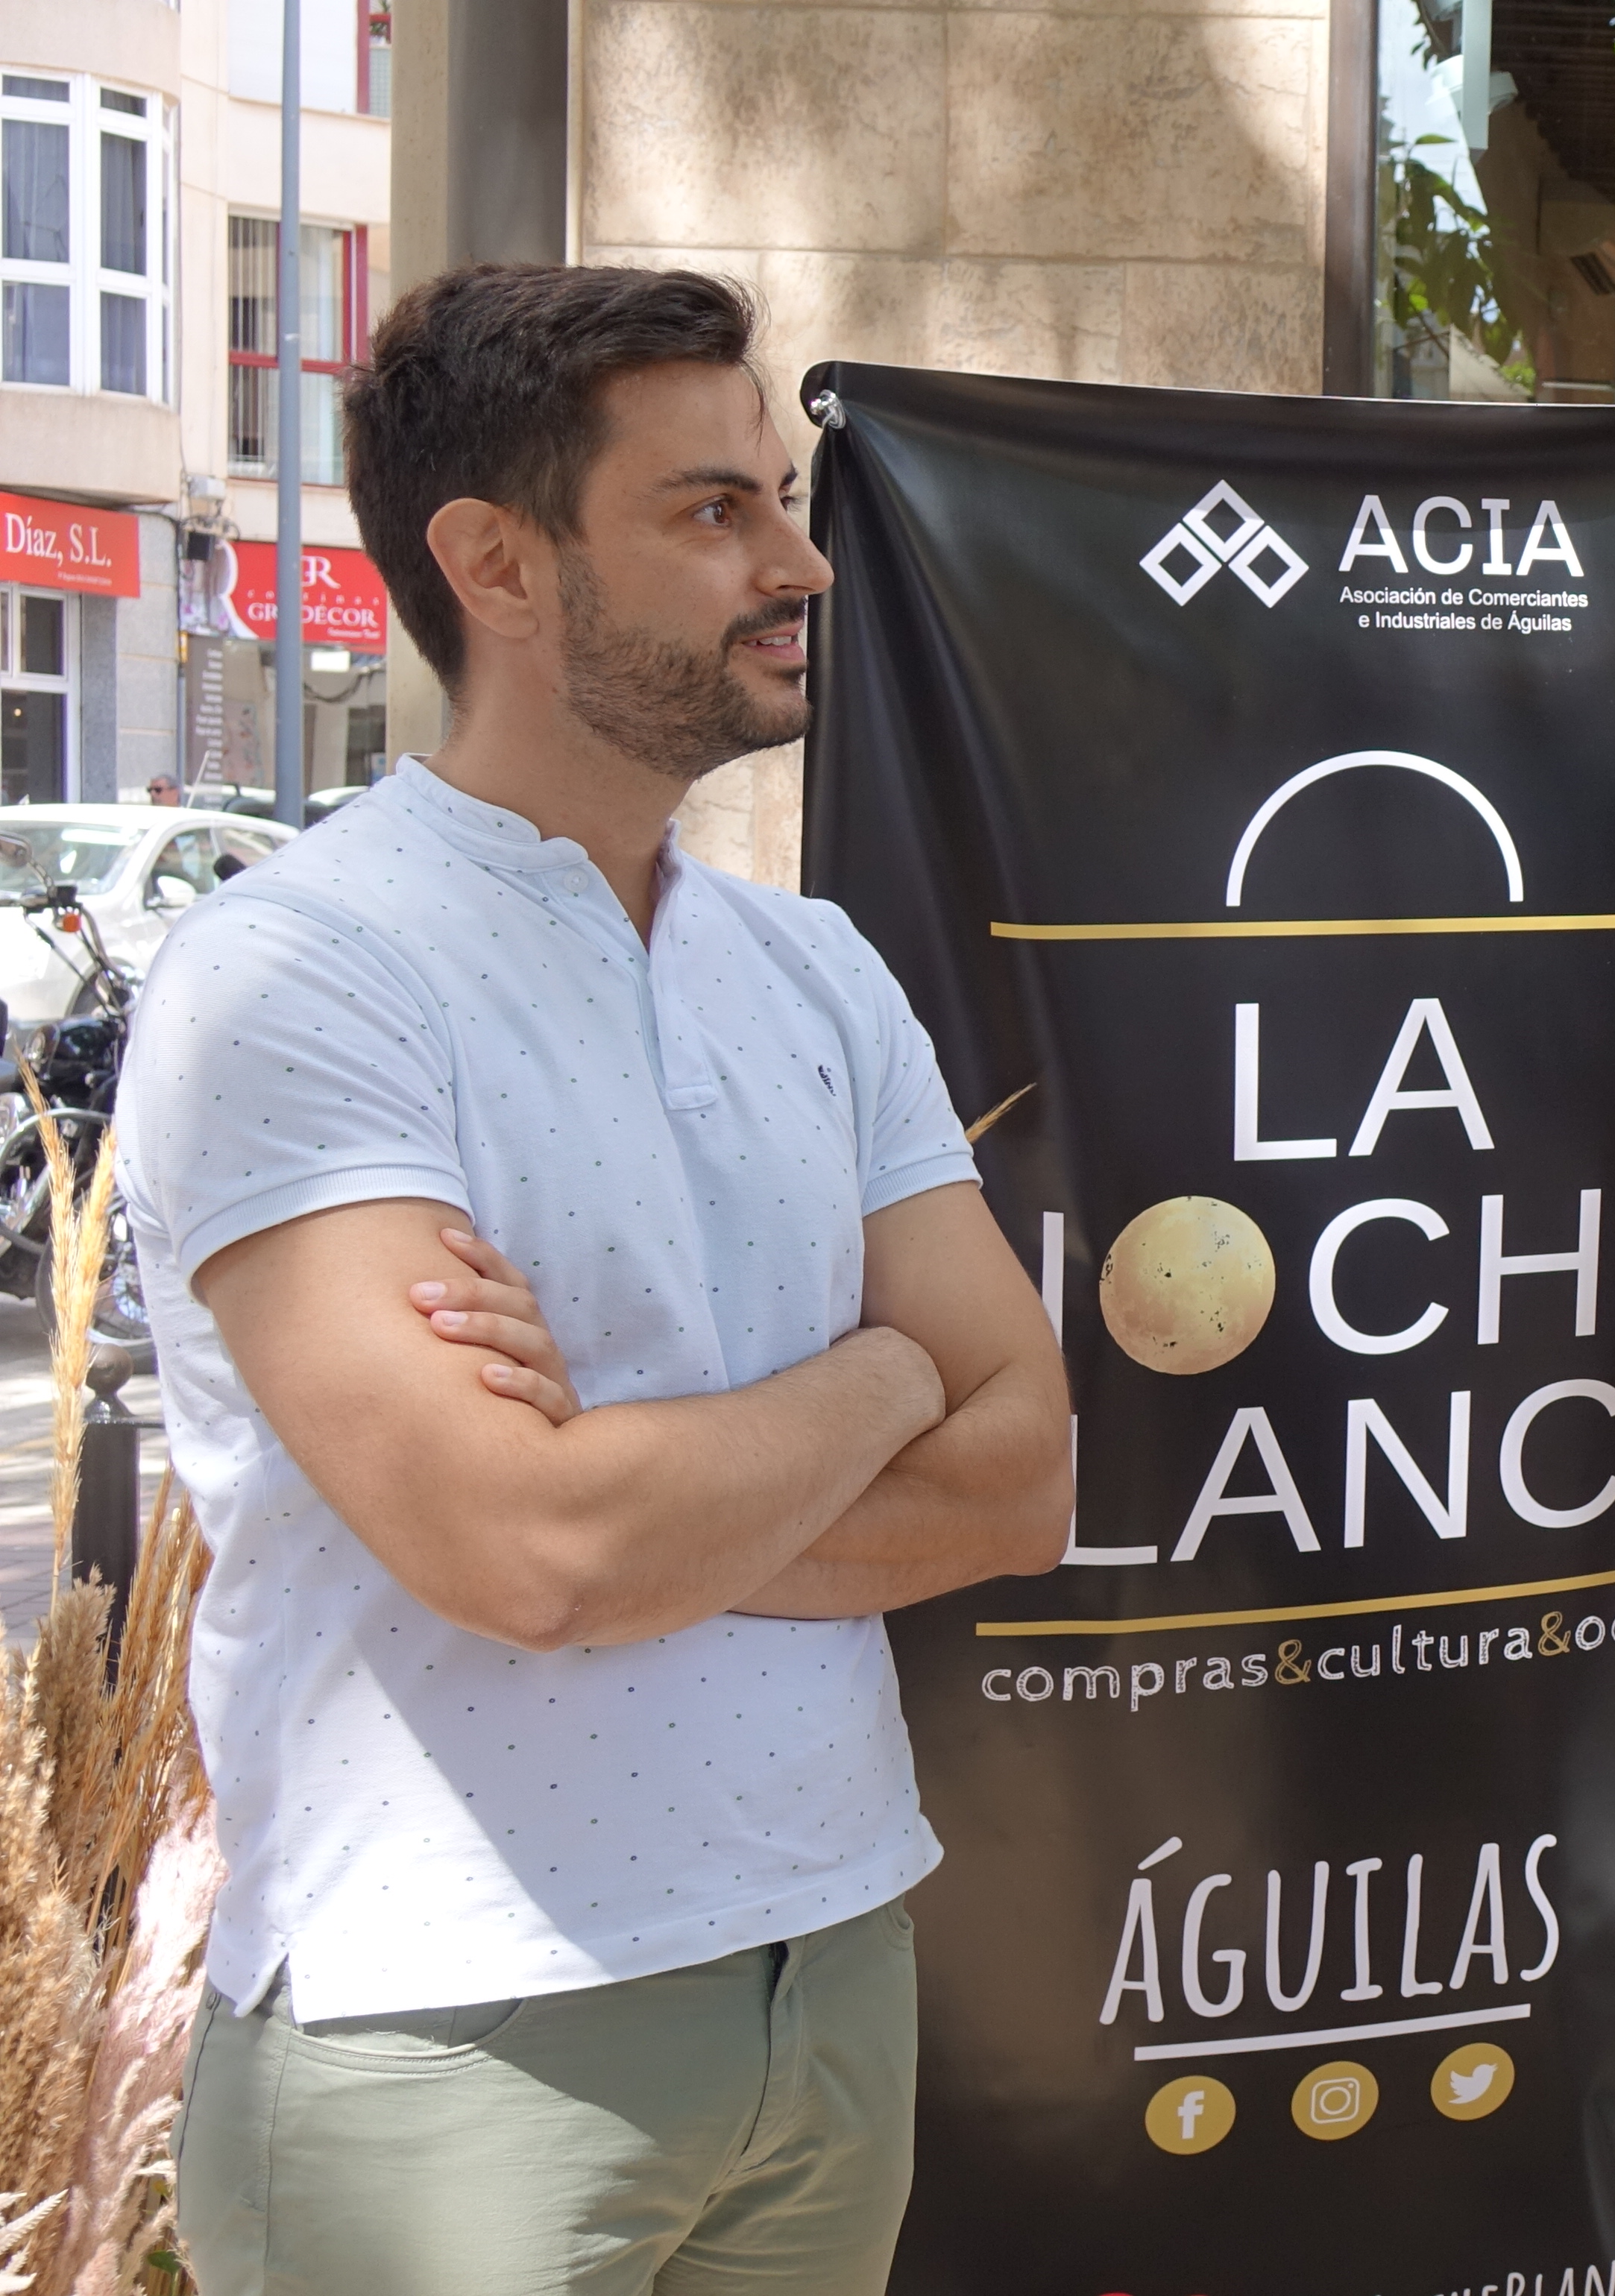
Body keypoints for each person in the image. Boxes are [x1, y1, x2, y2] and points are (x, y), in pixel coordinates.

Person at [114, 264, 1074, 2295]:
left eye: (782, 499)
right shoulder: (299, 974)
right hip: (446, 2031)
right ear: (498, 565)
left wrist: (648, 1487)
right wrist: (893, 1372)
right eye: (712, 511)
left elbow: (1029, 1479)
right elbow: (531, 1555)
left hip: (827, 1979)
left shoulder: (812, 969)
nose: (796, 559)